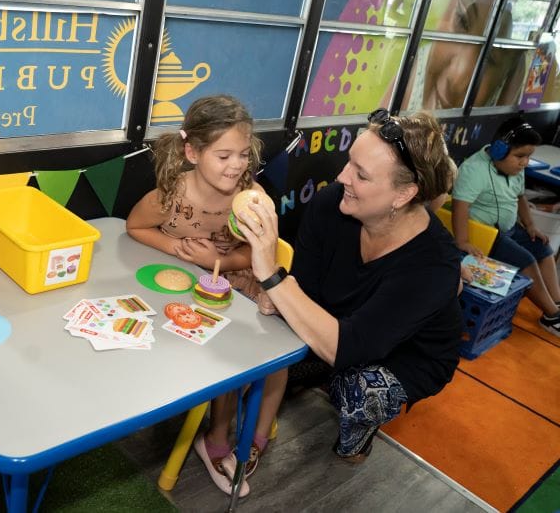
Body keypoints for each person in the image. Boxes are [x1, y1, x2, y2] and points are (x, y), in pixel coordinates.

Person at [232, 108, 463, 462]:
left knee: (357, 389)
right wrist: (277, 297)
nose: (342, 176)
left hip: (408, 357)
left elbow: (348, 348)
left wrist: (273, 277)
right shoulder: (332, 204)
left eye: (362, 174)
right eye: (349, 162)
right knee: (269, 344)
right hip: (344, 326)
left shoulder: (435, 265)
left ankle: (357, 440)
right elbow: (305, 289)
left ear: (404, 195)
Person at [126, 94, 285, 495]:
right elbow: (134, 227)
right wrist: (176, 250)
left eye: (243, 154)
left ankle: (241, 437)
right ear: (192, 152)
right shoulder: (172, 196)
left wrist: (221, 260)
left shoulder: (251, 196)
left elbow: (262, 251)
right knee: (219, 359)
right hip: (185, 300)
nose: (237, 166)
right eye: (224, 155)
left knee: (267, 361)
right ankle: (209, 431)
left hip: (241, 289)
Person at [451, 117, 560, 336]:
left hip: (510, 229)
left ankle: (557, 302)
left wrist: (529, 225)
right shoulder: (474, 170)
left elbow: (519, 197)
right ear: (499, 150)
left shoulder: (515, 170)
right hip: (487, 234)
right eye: (520, 156)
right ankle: (551, 316)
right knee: (526, 262)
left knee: (542, 248)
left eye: (529, 157)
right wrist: (463, 241)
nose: (525, 163)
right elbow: (460, 206)